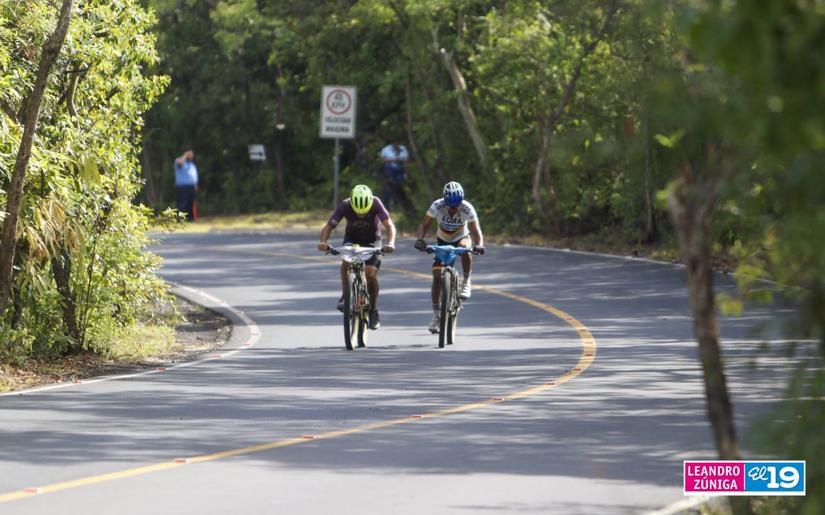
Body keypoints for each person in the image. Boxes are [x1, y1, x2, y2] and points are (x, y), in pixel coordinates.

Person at [318, 184, 396, 330]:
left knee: (370, 274)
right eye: (357, 212)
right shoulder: (345, 205)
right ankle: (345, 296)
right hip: (352, 239)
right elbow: (328, 227)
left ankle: (373, 311)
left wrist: (390, 243)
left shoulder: (376, 203)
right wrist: (323, 242)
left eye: (364, 212)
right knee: (346, 261)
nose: (361, 215)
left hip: (373, 240)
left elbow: (390, 226)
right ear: (352, 204)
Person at [414, 181, 485, 333]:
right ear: (445, 202)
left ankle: (466, 280)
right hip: (442, 240)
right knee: (436, 276)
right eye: (450, 206)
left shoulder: (467, 208)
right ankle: (436, 315)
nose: (453, 209)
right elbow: (424, 224)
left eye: (456, 205)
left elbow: (476, 230)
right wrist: (420, 239)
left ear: (461, 202)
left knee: (465, 248)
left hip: (461, 238)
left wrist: (479, 244)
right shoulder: (437, 205)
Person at [379, 140, 409, 210]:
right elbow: (382, 159)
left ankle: (397, 204)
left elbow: (406, 159)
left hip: (400, 170)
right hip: (390, 170)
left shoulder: (402, 148)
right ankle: (386, 204)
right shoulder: (386, 149)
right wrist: (392, 160)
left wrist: (399, 160)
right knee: (389, 187)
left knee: (398, 186)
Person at [174, 149, 198, 221]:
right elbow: (180, 162)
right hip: (183, 187)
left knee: (190, 203)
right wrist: (185, 155)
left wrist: (195, 184)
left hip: (191, 187)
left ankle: (190, 219)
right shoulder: (179, 161)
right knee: (182, 203)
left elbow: (193, 174)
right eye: (190, 154)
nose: (191, 156)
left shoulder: (191, 164)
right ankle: (180, 219)